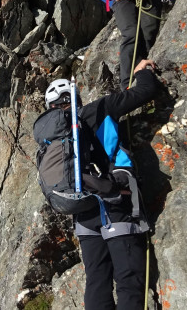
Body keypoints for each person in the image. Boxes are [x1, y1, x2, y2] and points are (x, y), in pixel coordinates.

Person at [44, 59, 160, 309]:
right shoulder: (100, 109)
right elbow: (145, 92)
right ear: (76, 97)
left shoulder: (49, 140)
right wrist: (142, 73)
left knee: (97, 281)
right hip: (114, 202)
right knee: (129, 279)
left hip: (83, 213)